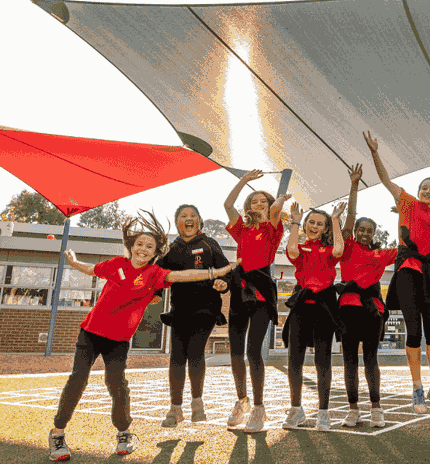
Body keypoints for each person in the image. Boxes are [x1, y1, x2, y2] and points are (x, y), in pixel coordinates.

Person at [48, 213, 236, 462]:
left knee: (116, 384)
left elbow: (184, 275)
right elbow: (91, 269)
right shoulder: (116, 265)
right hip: (91, 333)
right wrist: (73, 262)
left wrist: (215, 272)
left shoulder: (155, 274)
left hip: (118, 340)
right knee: (78, 378)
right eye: (139, 244)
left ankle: (124, 433)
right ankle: (58, 433)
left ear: (155, 252)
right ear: (131, 247)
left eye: (149, 246)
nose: (143, 249)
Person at [364, 131, 430, 413]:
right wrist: (375, 153)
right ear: (418, 192)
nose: (428, 192)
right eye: (425, 188)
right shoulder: (406, 202)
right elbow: (385, 180)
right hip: (406, 271)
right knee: (413, 331)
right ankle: (417, 389)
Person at [221, 169, 290, 433]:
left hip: (262, 291)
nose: (258, 205)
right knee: (235, 352)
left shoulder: (273, 226)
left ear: (271, 205)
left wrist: (280, 200)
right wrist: (244, 181)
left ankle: (260, 409)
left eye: (264, 201)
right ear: (248, 207)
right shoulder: (243, 229)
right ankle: (242, 402)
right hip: (240, 289)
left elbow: (275, 212)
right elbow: (228, 205)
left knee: (253, 352)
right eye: (254, 202)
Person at [158, 204, 231, 428]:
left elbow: (227, 271)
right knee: (177, 356)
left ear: (199, 221)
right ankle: (175, 408)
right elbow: (157, 275)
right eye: (183, 216)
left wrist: (222, 284)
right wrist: (155, 294)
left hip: (206, 309)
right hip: (179, 310)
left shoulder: (210, 244)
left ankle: (197, 403)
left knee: (195, 351)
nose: (188, 219)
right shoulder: (172, 248)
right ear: (177, 221)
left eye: (192, 215)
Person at [338, 163, 398, 428]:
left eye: (369, 230)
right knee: (349, 360)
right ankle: (353, 410)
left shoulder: (380, 255)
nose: (364, 233)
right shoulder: (348, 247)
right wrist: (353, 186)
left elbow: (406, 244)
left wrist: (404, 215)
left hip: (372, 310)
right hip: (348, 309)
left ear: (374, 234)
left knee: (370, 359)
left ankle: (376, 409)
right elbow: (349, 217)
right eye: (361, 229)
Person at [281, 201, 346, 432]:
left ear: (325, 228)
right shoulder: (300, 246)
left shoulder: (329, 250)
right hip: (302, 303)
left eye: (320, 224)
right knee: (294, 359)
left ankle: (323, 411)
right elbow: (291, 251)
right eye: (311, 222)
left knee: (322, 359)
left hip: (324, 305)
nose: (314, 226)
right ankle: (296, 409)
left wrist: (336, 220)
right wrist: (295, 222)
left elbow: (339, 250)